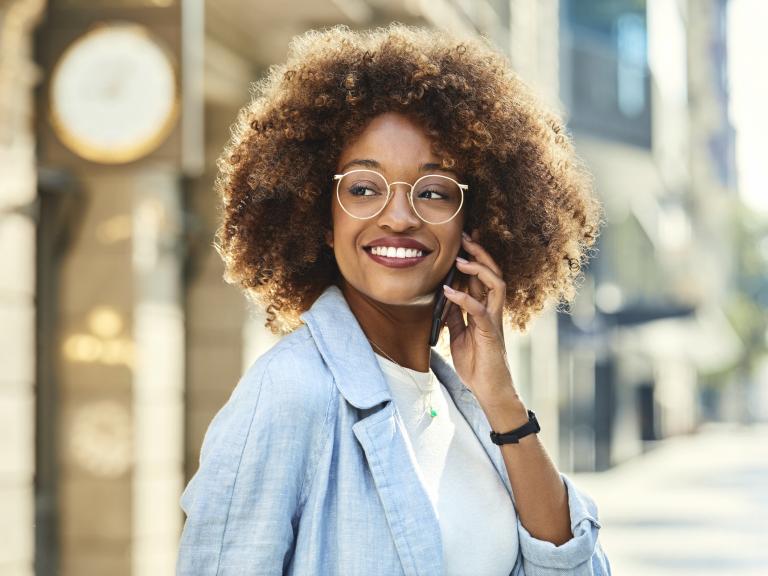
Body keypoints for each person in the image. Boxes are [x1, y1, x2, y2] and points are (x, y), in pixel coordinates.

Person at [176, 24, 610, 576]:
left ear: (472, 228)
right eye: (362, 188)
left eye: (432, 192)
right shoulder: (289, 393)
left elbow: (577, 569)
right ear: (321, 219)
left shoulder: (466, 405)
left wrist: (501, 400)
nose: (399, 216)